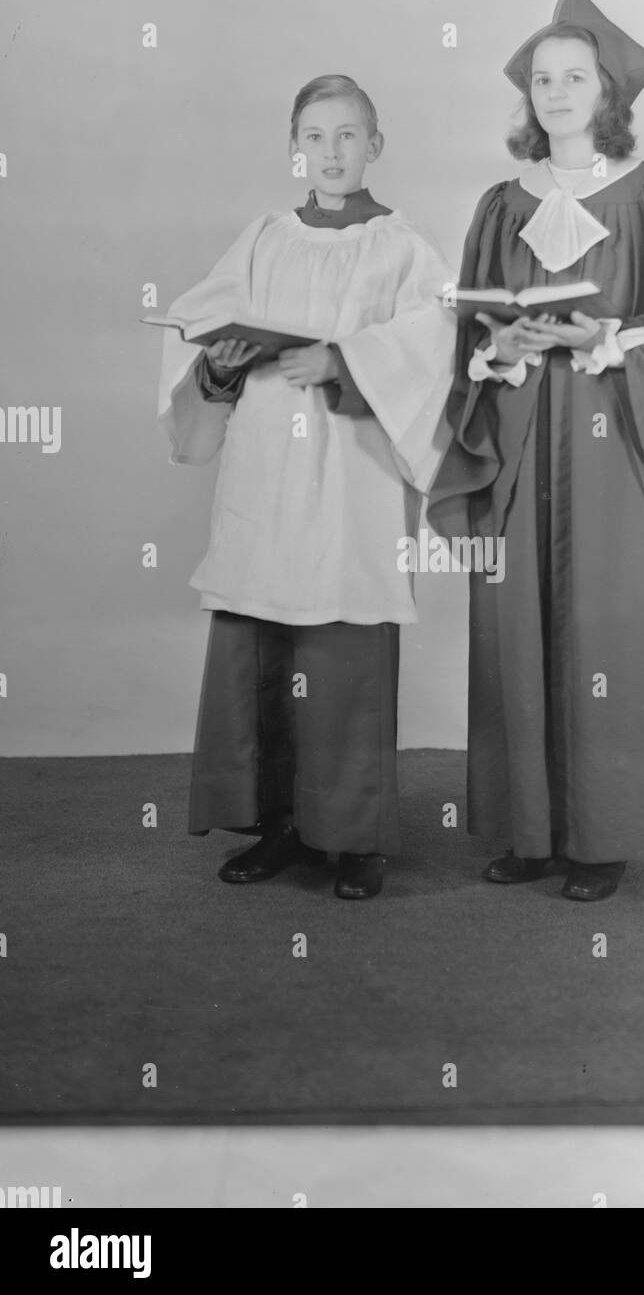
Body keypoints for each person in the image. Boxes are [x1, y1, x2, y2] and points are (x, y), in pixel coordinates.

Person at [428, 0, 644, 901]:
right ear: (526, 98)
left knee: (609, 628)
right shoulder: (500, 204)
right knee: (519, 617)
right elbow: (469, 334)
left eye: (575, 76)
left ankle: (602, 836)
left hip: (618, 450)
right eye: (540, 78)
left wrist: (601, 340)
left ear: (609, 95)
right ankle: (533, 832)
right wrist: (505, 347)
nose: (556, 92)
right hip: (525, 437)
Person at [157, 74, 455, 899]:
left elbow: (436, 349)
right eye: (315, 136)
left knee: (342, 645)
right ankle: (277, 824)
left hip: (350, 474)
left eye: (348, 135)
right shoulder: (261, 238)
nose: (331, 152)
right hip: (266, 468)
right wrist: (212, 367)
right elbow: (200, 329)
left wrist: (347, 360)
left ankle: (353, 839)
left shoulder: (403, 247)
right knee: (263, 639)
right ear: (295, 147)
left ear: (375, 145)